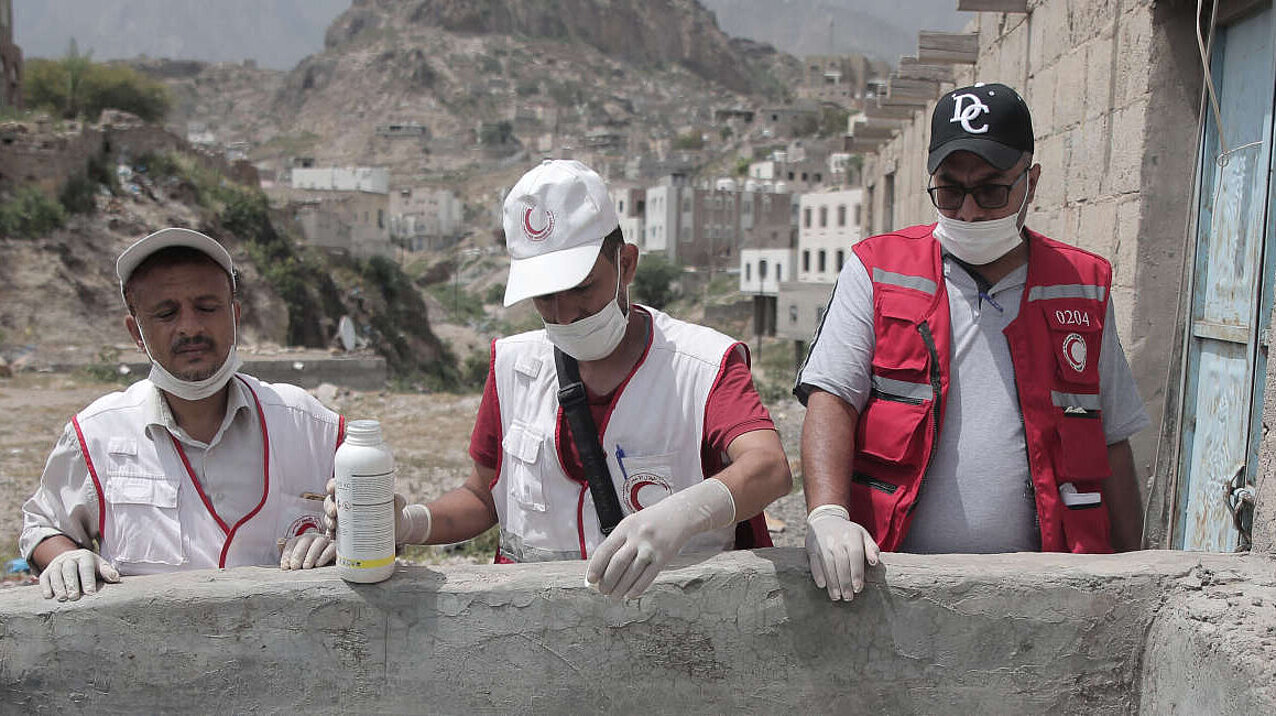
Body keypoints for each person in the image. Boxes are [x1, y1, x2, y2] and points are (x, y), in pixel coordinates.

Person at [328, 159, 791, 599]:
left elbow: (769, 468)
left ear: (626, 264)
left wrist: (682, 516)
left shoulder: (703, 365)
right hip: (533, 639)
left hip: (668, 639)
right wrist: (408, 523)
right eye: (545, 297)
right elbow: (483, 497)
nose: (564, 313)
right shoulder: (513, 366)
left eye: (582, 289)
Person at [796, 83, 1150, 602]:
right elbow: (831, 398)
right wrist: (827, 516)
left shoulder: (1080, 285)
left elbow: (1112, 441)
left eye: (990, 191)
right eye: (950, 191)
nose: (968, 212)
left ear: (1031, 183)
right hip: (895, 581)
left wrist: (1134, 573)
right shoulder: (876, 271)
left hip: (1044, 590)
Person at [20, 228, 344, 601]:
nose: (190, 327)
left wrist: (349, 544)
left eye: (207, 308)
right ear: (136, 332)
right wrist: (65, 556)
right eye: (166, 313)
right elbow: (42, 524)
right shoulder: (96, 434)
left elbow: (378, 527)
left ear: (235, 316)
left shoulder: (310, 424)